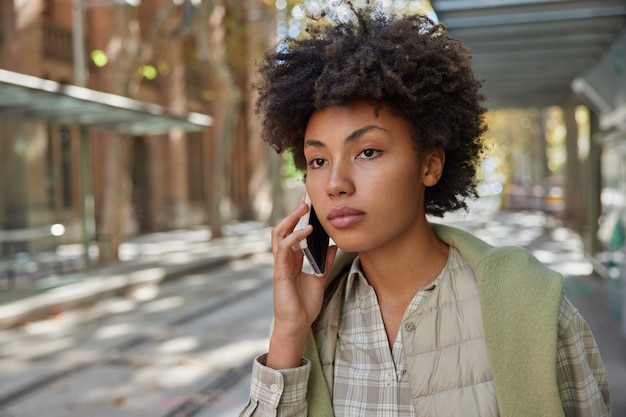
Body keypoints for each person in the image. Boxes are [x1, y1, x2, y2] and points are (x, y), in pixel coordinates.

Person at [240, 2, 610, 416]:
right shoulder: (313, 319)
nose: (335, 184)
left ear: (429, 164)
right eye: (318, 161)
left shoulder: (532, 305)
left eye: (367, 151)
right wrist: (289, 332)